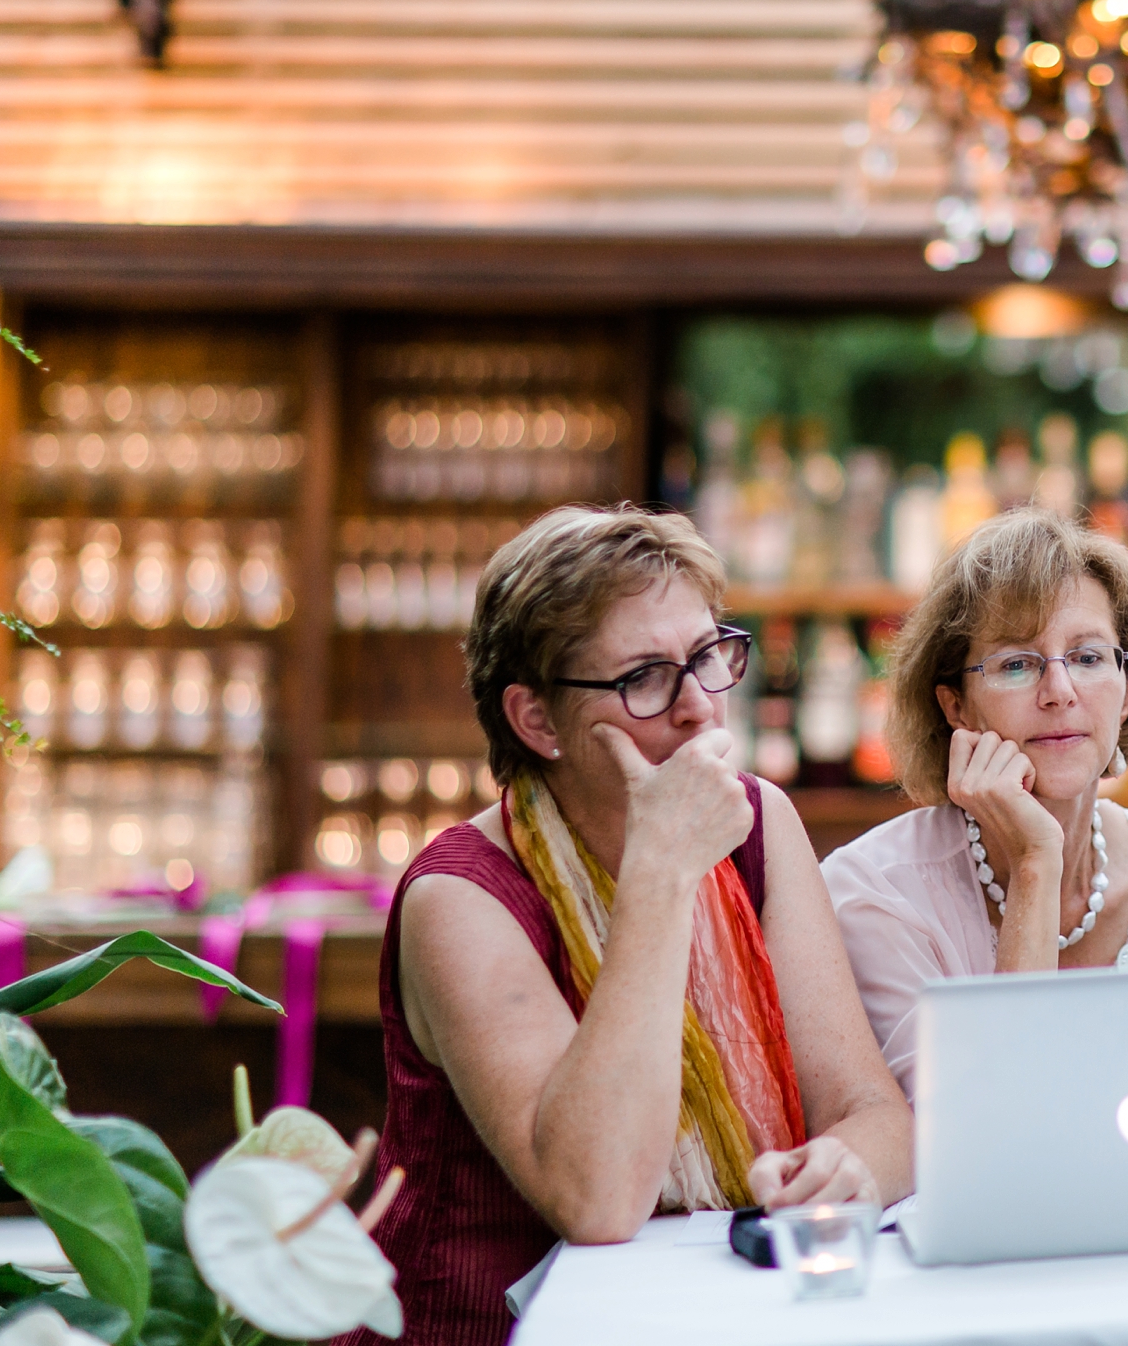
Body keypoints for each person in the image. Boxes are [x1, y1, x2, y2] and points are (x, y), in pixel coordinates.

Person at [358, 506, 912, 1346]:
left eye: (707, 657)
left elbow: (878, 1115)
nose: (699, 707)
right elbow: (600, 1197)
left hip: (714, 1318)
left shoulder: (761, 823)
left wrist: (848, 1167)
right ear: (537, 720)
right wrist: (660, 875)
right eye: (646, 677)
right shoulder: (460, 897)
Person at [823, 508, 1128, 1099]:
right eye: (1017, 664)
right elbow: (990, 1125)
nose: (1060, 692)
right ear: (955, 707)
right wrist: (1035, 866)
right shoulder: (874, 895)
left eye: (1090, 658)